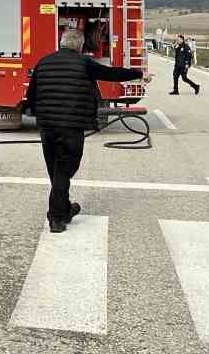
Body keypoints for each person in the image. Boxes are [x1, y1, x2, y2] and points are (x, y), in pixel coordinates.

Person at [25, 27, 146, 234]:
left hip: (47, 128)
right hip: (72, 127)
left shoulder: (43, 62)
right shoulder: (85, 63)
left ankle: (64, 209)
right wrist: (138, 73)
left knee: (56, 171)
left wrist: (41, 116)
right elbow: (111, 74)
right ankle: (56, 218)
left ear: (61, 43)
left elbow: (31, 95)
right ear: (80, 46)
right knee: (64, 170)